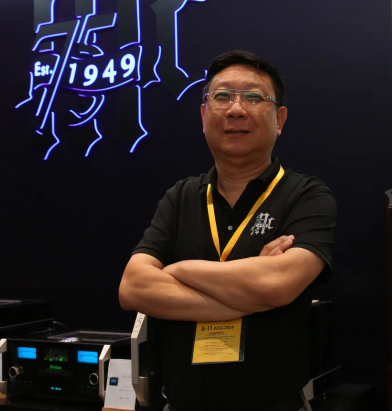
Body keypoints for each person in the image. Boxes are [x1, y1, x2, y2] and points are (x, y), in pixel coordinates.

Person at [119, 50, 336, 411]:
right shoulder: (181, 197)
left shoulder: (307, 196)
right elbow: (133, 287)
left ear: (280, 119)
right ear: (204, 115)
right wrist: (250, 292)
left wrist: (179, 270)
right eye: (221, 96)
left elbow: (276, 284)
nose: (236, 109)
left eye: (253, 97)